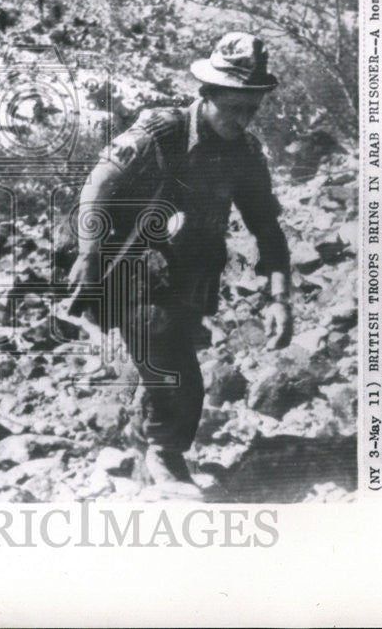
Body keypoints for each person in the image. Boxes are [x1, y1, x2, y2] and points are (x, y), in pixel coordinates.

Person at [68, 32, 293, 498]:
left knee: (163, 358)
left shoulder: (246, 155)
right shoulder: (160, 131)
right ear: (205, 94)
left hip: (189, 275)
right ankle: (163, 456)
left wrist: (280, 297)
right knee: (178, 371)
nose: (241, 119)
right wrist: (87, 261)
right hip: (125, 265)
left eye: (250, 109)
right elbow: (96, 188)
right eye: (232, 106)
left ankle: (139, 457)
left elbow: (267, 229)